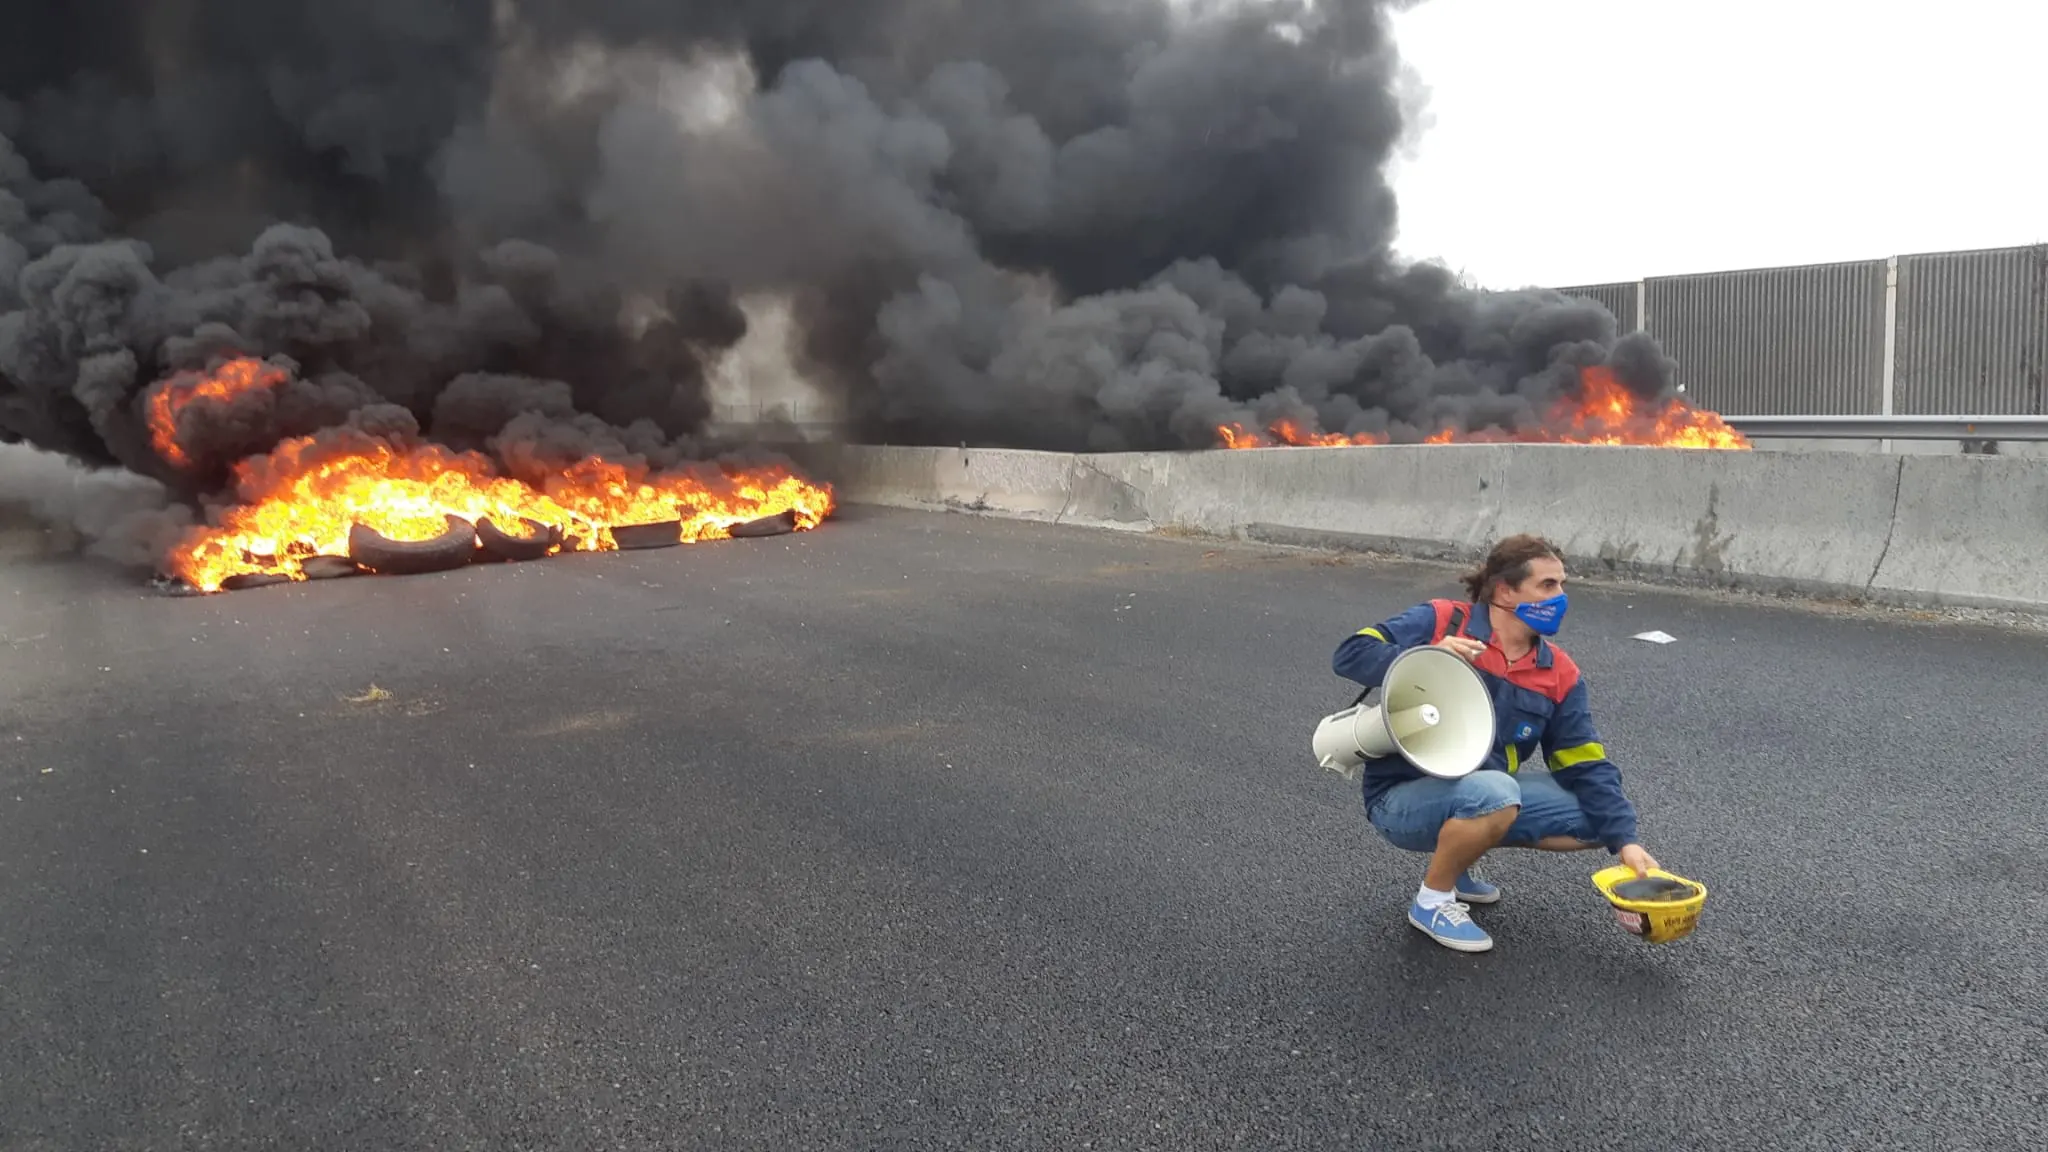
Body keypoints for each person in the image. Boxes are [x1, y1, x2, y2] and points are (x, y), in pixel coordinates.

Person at [1331, 533, 1659, 954]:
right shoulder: (1445, 620)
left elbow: (1586, 763)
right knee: (1497, 792)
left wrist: (1626, 841)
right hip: (1400, 799)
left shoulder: (1559, 672)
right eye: (1548, 585)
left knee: (1600, 818)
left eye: (1562, 585)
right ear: (1505, 590)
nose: (1561, 598)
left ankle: (1460, 854)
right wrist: (1425, 654)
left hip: (1482, 793)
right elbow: (1350, 653)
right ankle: (1432, 901)